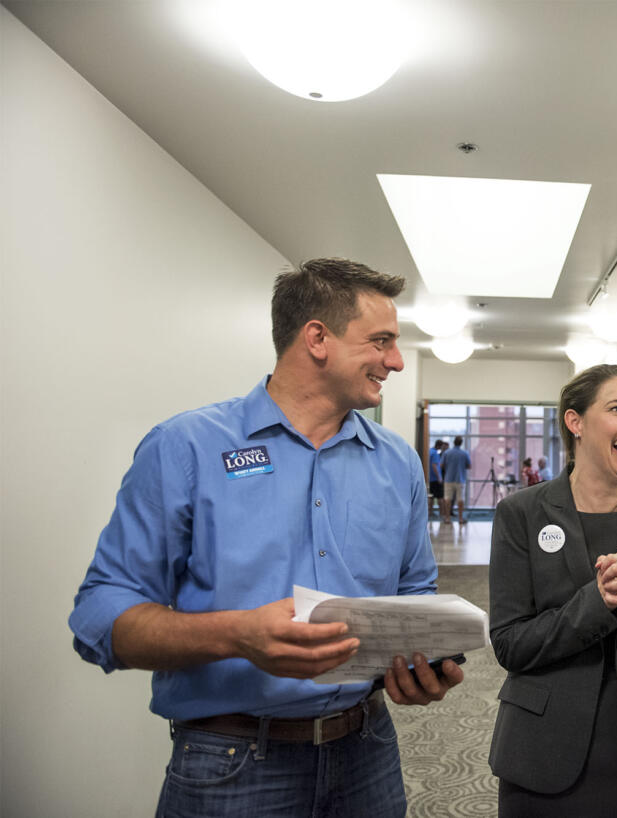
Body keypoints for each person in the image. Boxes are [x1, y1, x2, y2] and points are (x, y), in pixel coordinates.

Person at [68, 258, 465, 818]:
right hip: (230, 764)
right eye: (380, 342)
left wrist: (423, 664)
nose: (395, 361)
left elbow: (416, 592)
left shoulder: (397, 461)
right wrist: (237, 634)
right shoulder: (186, 447)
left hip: (368, 750)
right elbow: (99, 617)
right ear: (317, 339)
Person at [488, 365, 617, 817]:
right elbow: (509, 643)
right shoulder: (520, 513)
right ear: (575, 422)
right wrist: (595, 603)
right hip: (544, 752)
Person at [440, 435, 471, 524]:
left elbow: (441, 465)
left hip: (448, 479)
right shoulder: (465, 453)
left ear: (454, 442)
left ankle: (447, 518)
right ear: (461, 443)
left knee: (447, 499)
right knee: (460, 499)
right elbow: (469, 466)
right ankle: (460, 519)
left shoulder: (447, 453)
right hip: (460, 479)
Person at [428, 439, 448, 517]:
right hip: (436, 478)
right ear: (439, 446)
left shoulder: (430, 451)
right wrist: (439, 477)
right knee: (440, 496)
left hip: (431, 478)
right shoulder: (435, 453)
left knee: (431, 496)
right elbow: (434, 466)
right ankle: (442, 513)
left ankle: (430, 512)